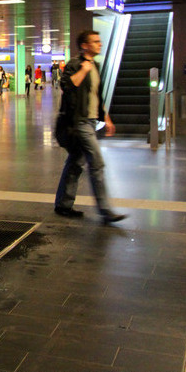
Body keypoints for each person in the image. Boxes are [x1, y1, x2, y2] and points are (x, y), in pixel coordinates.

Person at [54, 29, 126, 225]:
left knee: (76, 162)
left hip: (91, 121)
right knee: (97, 163)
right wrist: (83, 70)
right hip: (79, 122)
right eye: (95, 41)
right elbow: (67, 86)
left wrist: (107, 118)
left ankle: (63, 205)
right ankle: (105, 211)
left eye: (99, 41)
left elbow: (96, 95)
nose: (99, 44)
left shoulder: (96, 65)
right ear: (85, 45)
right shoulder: (76, 64)